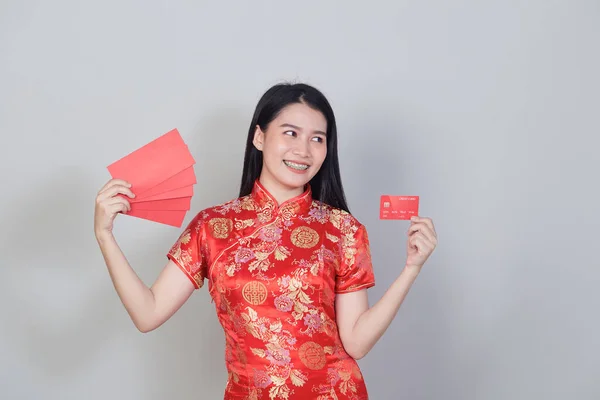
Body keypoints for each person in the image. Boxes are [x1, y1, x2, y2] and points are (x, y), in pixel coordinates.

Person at [94, 82, 438, 399]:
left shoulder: (342, 229)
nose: (303, 150)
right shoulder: (213, 227)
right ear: (259, 137)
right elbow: (148, 314)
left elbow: (357, 342)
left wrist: (411, 268)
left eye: (317, 139)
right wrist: (105, 236)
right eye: (291, 133)